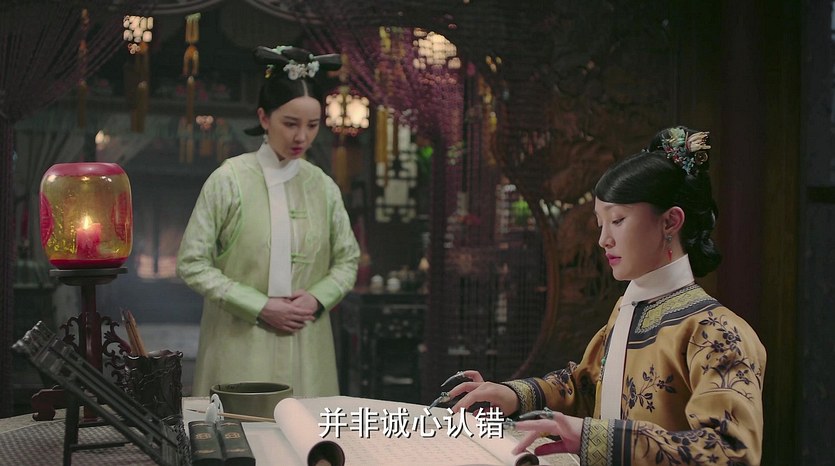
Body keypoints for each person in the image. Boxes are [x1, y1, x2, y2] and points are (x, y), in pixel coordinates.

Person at [446, 126, 766, 465]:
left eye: (618, 220)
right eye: (601, 224)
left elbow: (732, 451)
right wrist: (512, 395)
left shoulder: (718, 332)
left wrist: (594, 437)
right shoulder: (627, 308)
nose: (603, 240)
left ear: (671, 221)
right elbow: (584, 387)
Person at [177, 45, 360, 397]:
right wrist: (259, 306)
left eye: (312, 125)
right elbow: (191, 262)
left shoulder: (323, 186)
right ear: (264, 118)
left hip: (307, 343)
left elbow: (348, 260)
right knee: (241, 428)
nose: (301, 137)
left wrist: (317, 298)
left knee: (306, 428)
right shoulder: (229, 180)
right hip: (239, 344)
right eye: (290, 124)